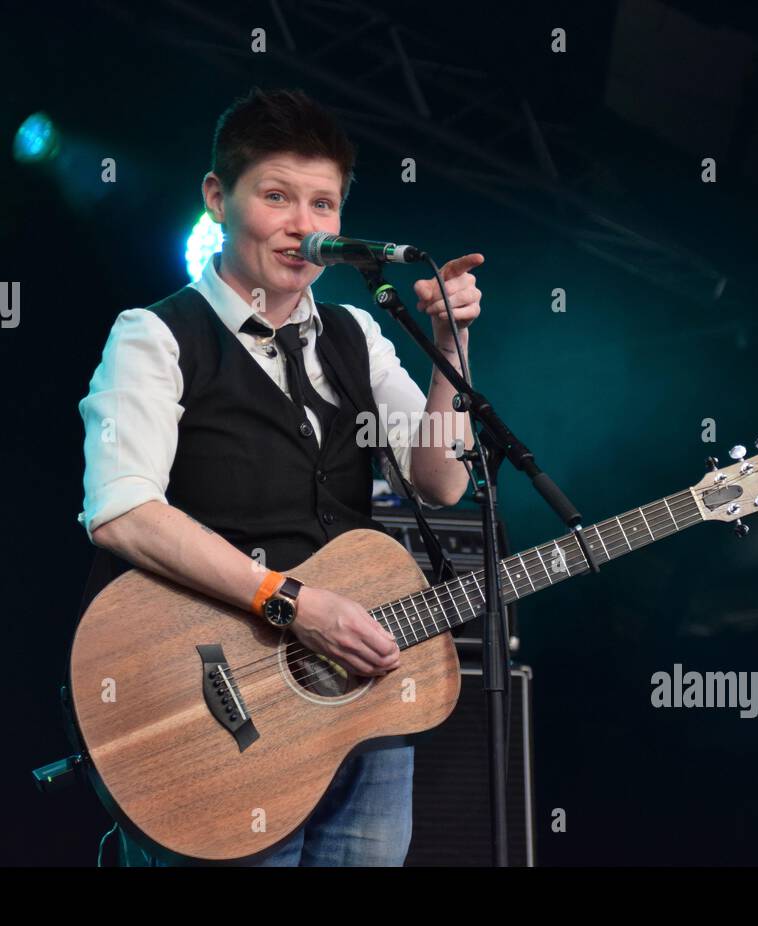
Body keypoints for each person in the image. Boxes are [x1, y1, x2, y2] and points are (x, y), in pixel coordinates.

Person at [75, 86, 483, 866]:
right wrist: (294, 604)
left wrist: (448, 346)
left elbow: (442, 480)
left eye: (324, 204)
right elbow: (122, 511)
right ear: (217, 198)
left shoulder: (358, 332)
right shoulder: (156, 336)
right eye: (277, 197)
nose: (305, 226)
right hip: (217, 712)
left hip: (359, 703)